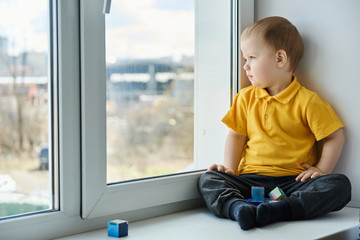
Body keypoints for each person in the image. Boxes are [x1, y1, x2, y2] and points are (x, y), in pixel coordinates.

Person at [197, 16, 351, 230]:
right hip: (249, 181)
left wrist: (321, 170)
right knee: (209, 179)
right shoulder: (245, 97)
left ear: (280, 59)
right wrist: (230, 169)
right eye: (245, 59)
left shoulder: (307, 101)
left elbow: (336, 136)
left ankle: (278, 210)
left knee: (339, 185)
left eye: (251, 57)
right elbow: (236, 135)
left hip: (293, 183)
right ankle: (238, 208)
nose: (245, 66)